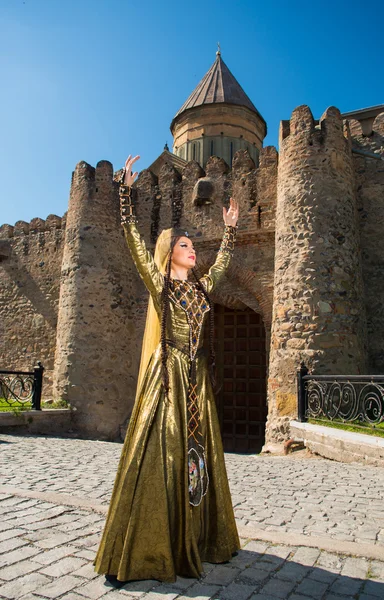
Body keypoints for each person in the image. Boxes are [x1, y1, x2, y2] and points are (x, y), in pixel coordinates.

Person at [93, 154, 240, 585]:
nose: (192, 250)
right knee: (160, 451)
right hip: (169, 375)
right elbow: (136, 245)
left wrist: (230, 232)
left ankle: (195, 537)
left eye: (194, 246)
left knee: (198, 459)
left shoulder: (201, 287)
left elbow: (225, 267)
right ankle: (148, 546)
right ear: (168, 254)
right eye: (184, 246)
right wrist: (125, 195)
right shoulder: (160, 287)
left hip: (195, 378)